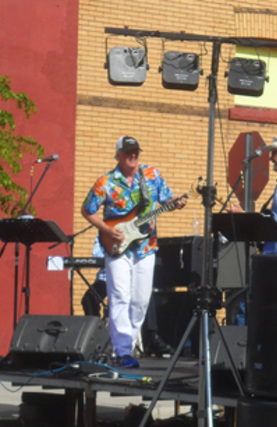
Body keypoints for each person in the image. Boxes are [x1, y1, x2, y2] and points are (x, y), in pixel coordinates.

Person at [81, 135, 187, 368]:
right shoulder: (105, 182)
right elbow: (87, 210)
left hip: (145, 247)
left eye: (136, 151)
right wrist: (106, 230)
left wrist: (176, 203)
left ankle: (127, 343)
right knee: (119, 296)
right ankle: (122, 351)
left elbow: (167, 200)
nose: (133, 155)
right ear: (118, 155)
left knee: (140, 300)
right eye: (128, 152)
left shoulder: (151, 175)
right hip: (117, 247)